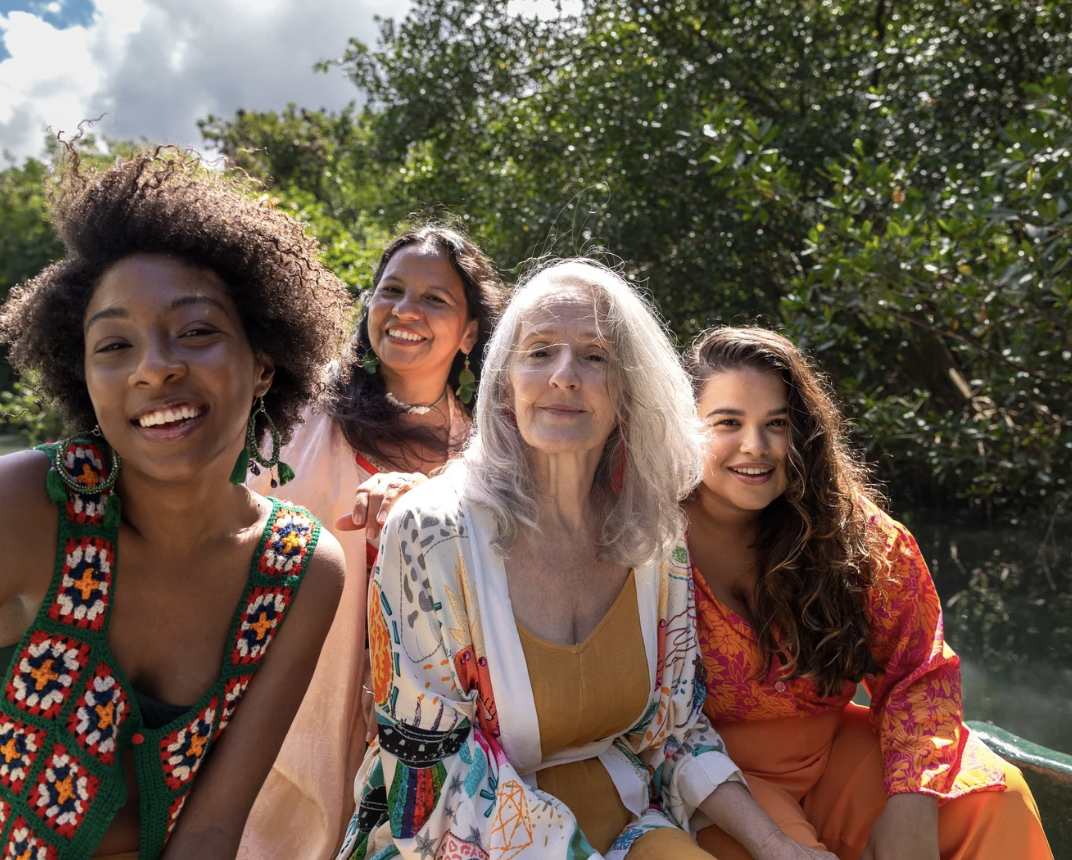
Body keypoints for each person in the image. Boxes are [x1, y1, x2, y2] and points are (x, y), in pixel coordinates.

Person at [336, 260, 839, 860]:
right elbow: (432, 777)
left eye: (594, 357)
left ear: (628, 390)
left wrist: (778, 846)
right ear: (504, 383)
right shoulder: (430, 533)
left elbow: (673, 735)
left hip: (627, 823)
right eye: (540, 352)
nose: (565, 377)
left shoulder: (654, 533)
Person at [0, 147, 351, 859]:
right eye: (114, 344)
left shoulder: (300, 570)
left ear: (262, 366)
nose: (154, 367)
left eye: (196, 331)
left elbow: (213, 828)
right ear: (85, 380)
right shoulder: (23, 507)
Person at [682, 326, 1054, 860]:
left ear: (804, 434)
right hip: (714, 779)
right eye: (727, 423)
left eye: (778, 424)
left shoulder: (851, 533)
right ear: (683, 429)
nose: (756, 447)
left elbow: (918, 672)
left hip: (835, 749)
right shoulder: (648, 537)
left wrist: (912, 799)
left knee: (997, 798)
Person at [240, 227, 507, 860]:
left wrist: (423, 502)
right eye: (391, 290)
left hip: (399, 728)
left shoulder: (483, 460)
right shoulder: (295, 408)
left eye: (436, 299)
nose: (406, 311)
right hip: (264, 696)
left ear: (470, 332)